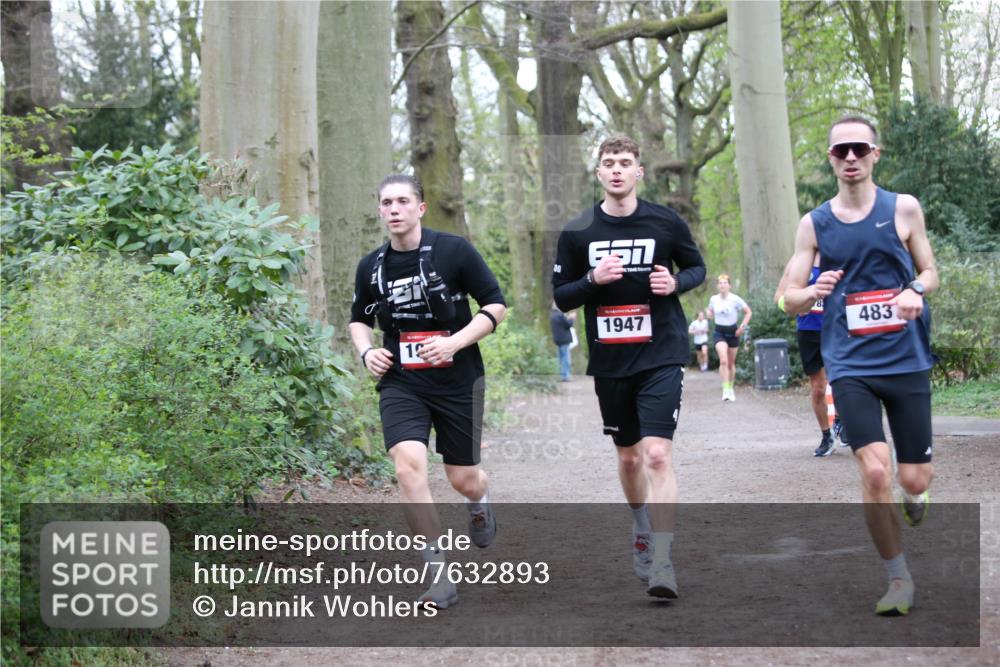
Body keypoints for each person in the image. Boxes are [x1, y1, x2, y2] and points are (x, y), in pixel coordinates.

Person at [783, 116, 938, 616]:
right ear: (831, 158)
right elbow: (787, 296)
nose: (850, 157)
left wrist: (914, 290)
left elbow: (930, 271)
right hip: (850, 362)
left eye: (859, 149)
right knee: (874, 472)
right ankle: (898, 579)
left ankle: (915, 495)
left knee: (912, 479)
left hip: (906, 358)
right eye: (840, 150)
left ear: (875, 154)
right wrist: (810, 293)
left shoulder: (904, 208)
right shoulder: (815, 223)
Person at [553, 135, 706, 599]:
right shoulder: (578, 232)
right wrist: (591, 280)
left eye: (625, 163)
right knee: (629, 456)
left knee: (657, 454)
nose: (616, 170)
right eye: (608, 163)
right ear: (598, 173)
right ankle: (640, 525)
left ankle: (662, 559)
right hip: (611, 359)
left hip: (662, 351)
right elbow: (561, 296)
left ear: (639, 171)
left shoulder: (665, 221)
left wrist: (675, 282)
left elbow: (697, 268)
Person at [349, 174, 507, 609]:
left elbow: (495, 304)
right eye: (386, 203)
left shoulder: (454, 250)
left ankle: (479, 499)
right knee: (408, 468)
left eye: (403, 201)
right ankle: (439, 576)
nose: (394, 209)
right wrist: (366, 353)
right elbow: (359, 318)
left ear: (421, 208)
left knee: (462, 478)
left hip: (458, 379)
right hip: (402, 381)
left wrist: (455, 341)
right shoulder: (372, 266)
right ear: (380, 211)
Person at [775, 254, 848, 456]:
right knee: (818, 388)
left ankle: (841, 422)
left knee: (842, 380)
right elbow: (779, 297)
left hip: (837, 328)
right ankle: (827, 436)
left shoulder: (839, 253)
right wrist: (795, 306)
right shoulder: (798, 261)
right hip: (809, 331)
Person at [706, 274, 752, 401]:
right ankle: (725, 390)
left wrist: (742, 327)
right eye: (720, 283)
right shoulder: (713, 299)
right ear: (717, 286)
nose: (723, 285)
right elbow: (709, 311)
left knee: (731, 364)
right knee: (724, 361)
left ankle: (731, 388)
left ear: (729, 286)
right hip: (719, 332)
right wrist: (709, 313)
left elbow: (748, 312)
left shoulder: (735, 299)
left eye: (725, 282)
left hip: (733, 332)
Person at [550, 303, 577, 381]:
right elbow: (568, 324)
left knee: (560, 359)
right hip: (564, 340)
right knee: (566, 358)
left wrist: (567, 318)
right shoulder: (560, 315)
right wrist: (572, 318)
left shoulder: (553, 315)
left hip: (557, 340)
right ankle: (565, 376)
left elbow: (562, 324)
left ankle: (562, 375)